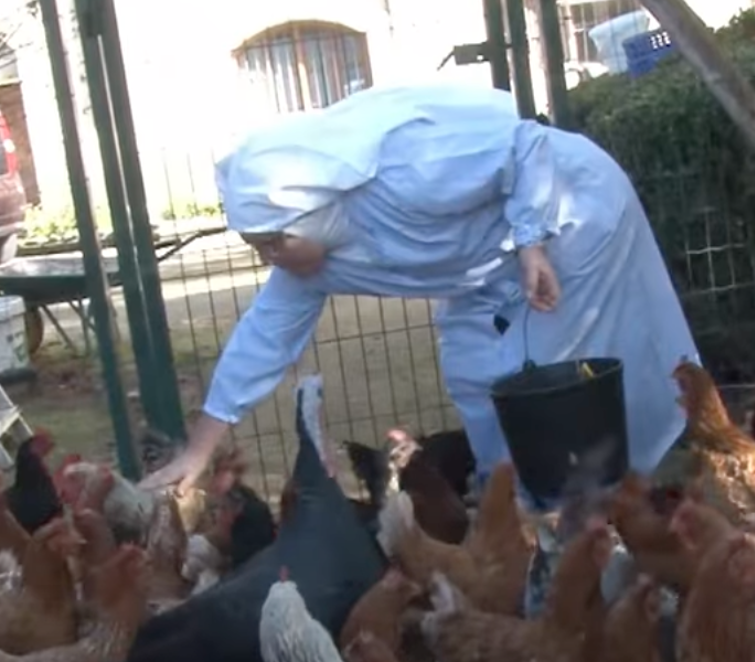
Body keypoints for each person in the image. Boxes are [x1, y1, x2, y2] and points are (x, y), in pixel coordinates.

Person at [140, 82, 698, 496]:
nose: (270, 259)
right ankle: (506, 493)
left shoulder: (406, 170)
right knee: (473, 365)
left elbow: (527, 150)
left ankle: (578, 507)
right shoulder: (309, 261)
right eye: (258, 247)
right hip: (492, 259)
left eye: (274, 243)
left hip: (568, 212)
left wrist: (531, 242)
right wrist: (198, 451)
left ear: (307, 213)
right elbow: (261, 342)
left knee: (545, 379)